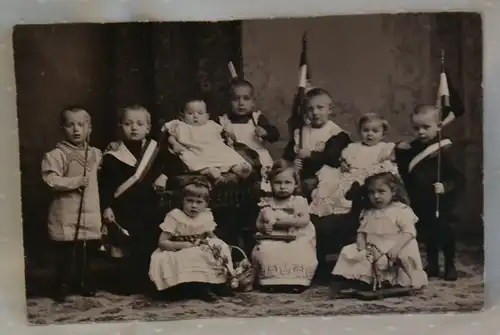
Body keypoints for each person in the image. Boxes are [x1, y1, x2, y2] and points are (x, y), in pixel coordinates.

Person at [99, 105, 166, 295]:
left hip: (149, 207)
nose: (134, 128)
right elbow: (105, 186)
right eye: (128, 124)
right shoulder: (113, 156)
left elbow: (172, 165)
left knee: (147, 245)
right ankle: (126, 283)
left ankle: (147, 282)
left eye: (139, 123)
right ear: (120, 126)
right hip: (123, 208)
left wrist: (164, 176)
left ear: (148, 127)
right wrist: (107, 207)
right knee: (124, 246)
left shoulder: (155, 151)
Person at [395, 104, 464, 281]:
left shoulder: (445, 148)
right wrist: (399, 149)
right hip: (421, 199)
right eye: (416, 128)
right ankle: (432, 264)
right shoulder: (412, 147)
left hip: (442, 200)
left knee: (445, 233)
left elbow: (458, 177)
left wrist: (445, 186)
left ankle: (450, 265)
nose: (421, 132)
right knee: (428, 235)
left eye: (426, 127)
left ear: (439, 126)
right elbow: (404, 169)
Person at [41, 106, 102, 302]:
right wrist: (74, 182)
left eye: (81, 125)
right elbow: (51, 180)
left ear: (89, 128)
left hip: (89, 210)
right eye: (70, 125)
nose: (76, 130)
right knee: (66, 252)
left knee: (85, 250)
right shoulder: (56, 155)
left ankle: (83, 281)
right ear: (62, 128)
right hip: (66, 211)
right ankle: (62, 283)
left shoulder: (96, 153)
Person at [332, 172, 428, 292]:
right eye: (371, 193)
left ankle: (404, 279)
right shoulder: (368, 212)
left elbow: (409, 232)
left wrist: (397, 247)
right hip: (373, 245)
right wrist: (360, 244)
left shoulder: (400, 210)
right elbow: (361, 232)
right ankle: (361, 280)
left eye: (381, 191)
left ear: (393, 192)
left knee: (400, 257)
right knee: (351, 251)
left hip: (396, 244)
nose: (376, 196)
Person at [149, 177, 236, 302]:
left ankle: (217, 283)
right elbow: (162, 243)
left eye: (199, 202)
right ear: (182, 201)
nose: (194, 206)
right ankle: (194, 289)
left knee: (218, 247)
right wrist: (183, 245)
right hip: (176, 249)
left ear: (206, 204)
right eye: (189, 201)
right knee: (191, 255)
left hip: (198, 247)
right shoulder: (175, 216)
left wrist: (222, 247)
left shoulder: (205, 216)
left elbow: (212, 236)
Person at [310, 113, 399, 217]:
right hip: (351, 175)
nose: (370, 134)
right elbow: (344, 159)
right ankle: (345, 196)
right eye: (366, 130)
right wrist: (343, 163)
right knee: (334, 182)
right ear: (360, 131)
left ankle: (357, 193)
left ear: (383, 134)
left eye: (375, 131)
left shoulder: (384, 148)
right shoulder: (353, 147)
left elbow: (388, 164)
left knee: (371, 182)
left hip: (371, 175)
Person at [251, 160, 318, 293]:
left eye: (287, 183)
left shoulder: (298, 201)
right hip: (274, 236)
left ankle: (297, 281)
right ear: (270, 184)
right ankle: (271, 281)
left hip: (297, 234)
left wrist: (281, 222)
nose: (282, 187)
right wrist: (264, 228)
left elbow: (304, 220)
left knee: (299, 249)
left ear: (295, 184)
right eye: (277, 183)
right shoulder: (267, 202)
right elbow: (259, 222)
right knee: (266, 249)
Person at [162, 96, 252, 184]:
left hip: (215, 148)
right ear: (182, 116)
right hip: (194, 150)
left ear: (207, 116)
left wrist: (228, 138)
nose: (195, 116)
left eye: (200, 113)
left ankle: (237, 166)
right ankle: (207, 170)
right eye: (190, 113)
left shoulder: (211, 124)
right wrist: (175, 144)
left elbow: (224, 135)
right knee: (188, 158)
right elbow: (171, 136)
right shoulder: (180, 125)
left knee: (228, 153)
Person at [282, 87, 351, 198]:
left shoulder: (336, 133)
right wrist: (293, 162)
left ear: (330, 109)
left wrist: (310, 154)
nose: (315, 112)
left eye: (320, 108)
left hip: (327, 179)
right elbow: (288, 154)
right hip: (303, 177)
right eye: (310, 109)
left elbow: (332, 158)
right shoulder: (301, 132)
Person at [220, 78, 280, 192]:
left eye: (246, 99)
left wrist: (265, 132)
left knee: (260, 188)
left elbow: (275, 135)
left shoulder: (257, 119)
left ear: (253, 102)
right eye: (236, 99)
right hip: (235, 161)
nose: (241, 103)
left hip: (259, 161)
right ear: (229, 101)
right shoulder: (224, 121)